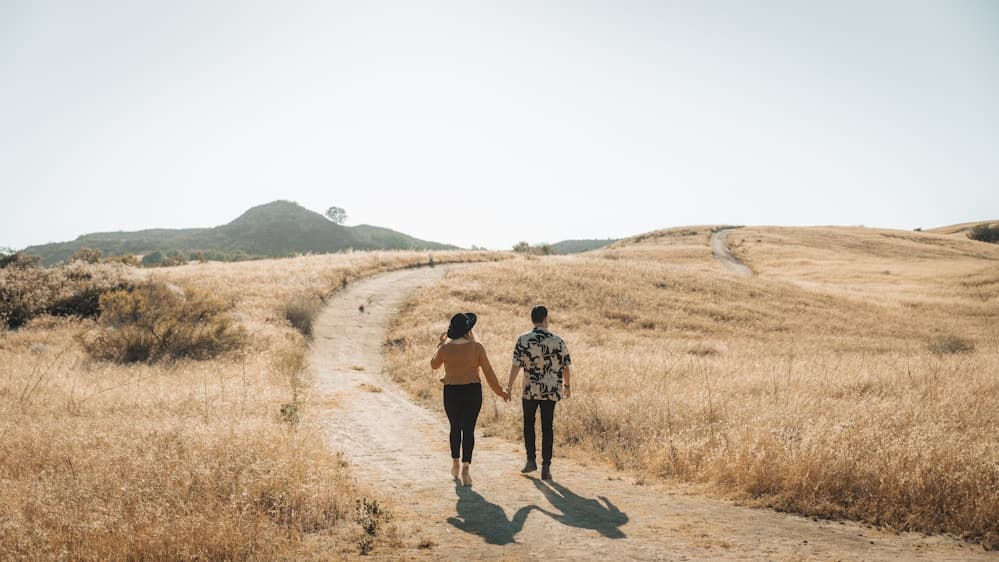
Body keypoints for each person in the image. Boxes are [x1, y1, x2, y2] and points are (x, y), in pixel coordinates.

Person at [431, 312, 509, 486]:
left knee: (455, 428)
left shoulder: (445, 349)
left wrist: (440, 345)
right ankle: (466, 468)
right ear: (468, 330)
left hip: (451, 392)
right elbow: (489, 374)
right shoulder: (477, 347)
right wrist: (501, 392)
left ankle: (455, 463)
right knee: (469, 429)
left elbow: (433, 365)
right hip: (472, 391)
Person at [505, 305, 572, 481]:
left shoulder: (523, 340)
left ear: (532, 320)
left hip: (530, 390)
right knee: (547, 426)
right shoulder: (558, 340)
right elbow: (565, 366)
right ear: (545, 319)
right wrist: (567, 385)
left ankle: (530, 460)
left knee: (528, 423)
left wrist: (509, 387)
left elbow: (516, 365)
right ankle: (546, 466)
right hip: (551, 390)